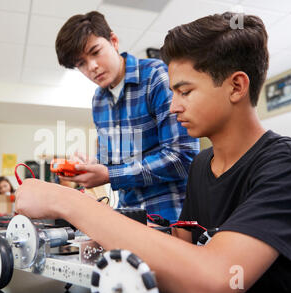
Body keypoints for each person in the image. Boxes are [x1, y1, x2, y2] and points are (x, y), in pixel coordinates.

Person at [15, 12, 291, 293]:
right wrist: (114, 226)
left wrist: (66, 202)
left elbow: (215, 279)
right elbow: (188, 241)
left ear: (236, 86)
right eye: (173, 93)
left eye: (184, 91)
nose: (172, 107)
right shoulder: (201, 166)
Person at [54, 11, 199, 222]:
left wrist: (108, 174)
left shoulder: (156, 77)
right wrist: (91, 164)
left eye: (95, 52)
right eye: (81, 64)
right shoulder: (99, 101)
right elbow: (113, 162)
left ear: (113, 41)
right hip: (127, 217)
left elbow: (183, 157)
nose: (91, 67)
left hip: (171, 217)